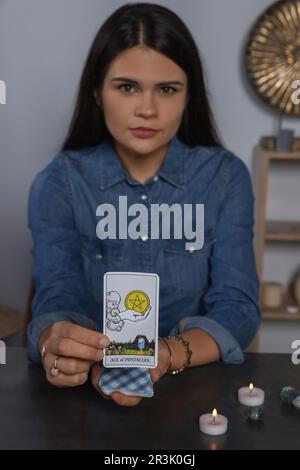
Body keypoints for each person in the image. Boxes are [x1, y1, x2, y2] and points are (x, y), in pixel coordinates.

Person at [27, 2, 261, 407]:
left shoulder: (225, 177)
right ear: (97, 93)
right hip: (85, 399)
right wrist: (56, 344)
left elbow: (237, 307)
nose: (147, 109)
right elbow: (56, 299)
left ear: (189, 95)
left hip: (196, 397)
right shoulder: (58, 183)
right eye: (127, 87)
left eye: (167, 89)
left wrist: (165, 355)